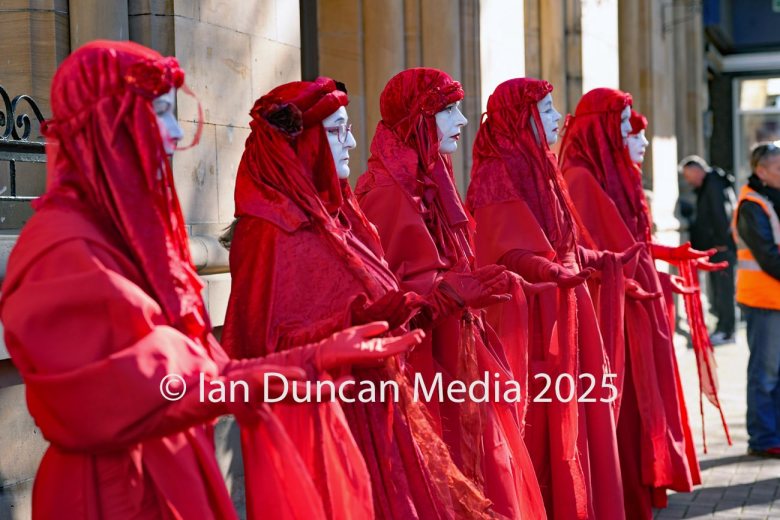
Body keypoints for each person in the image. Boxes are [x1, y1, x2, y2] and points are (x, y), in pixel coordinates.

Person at [0, 40, 421, 520]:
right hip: (114, 494)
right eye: (160, 113)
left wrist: (317, 357)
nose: (177, 134)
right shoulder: (62, 248)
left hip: (171, 473)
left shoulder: (122, 237)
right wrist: (305, 364)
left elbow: (198, 371)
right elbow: (155, 391)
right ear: (107, 123)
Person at [220, 77, 490, 519]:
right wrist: (353, 322)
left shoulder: (342, 219)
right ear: (302, 142)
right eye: (335, 131)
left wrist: (431, 304)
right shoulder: (266, 232)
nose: (351, 141)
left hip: (375, 411)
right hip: (318, 428)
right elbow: (259, 349)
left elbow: (385, 306)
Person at [356, 68, 546, 519]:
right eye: (447, 110)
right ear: (418, 119)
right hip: (426, 366)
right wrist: (452, 292)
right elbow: (389, 297)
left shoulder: (435, 180)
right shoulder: (384, 192)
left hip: (458, 351)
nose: (462, 121)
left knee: (488, 462)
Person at [466, 78, 640, 520]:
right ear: (522, 118)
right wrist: (550, 270)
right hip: (536, 318)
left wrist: (603, 259)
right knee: (542, 425)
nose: (556, 120)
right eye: (545, 112)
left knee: (581, 415)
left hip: (567, 305)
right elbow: (500, 246)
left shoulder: (543, 165)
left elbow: (564, 240)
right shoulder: (496, 169)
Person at [559, 90, 700, 518]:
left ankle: (638, 492)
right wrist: (640, 277)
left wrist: (665, 259)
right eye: (622, 125)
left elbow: (627, 241)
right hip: (610, 313)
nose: (629, 134)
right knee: (622, 409)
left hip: (632, 303)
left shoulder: (608, 174)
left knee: (641, 406)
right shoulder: (581, 177)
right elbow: (594, 252)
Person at [734, 142, 780, 458]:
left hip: (773, 300)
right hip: (763, 301)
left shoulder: (769, 200)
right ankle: (763, 439)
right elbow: (768, 257)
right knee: (765, 374)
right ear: (760, 171)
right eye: (778, 169)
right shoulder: (752, 205)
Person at [679, 154, 737, 344]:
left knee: (723, 290)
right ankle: (724, 328)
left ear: (697, 170)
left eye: (689, 176)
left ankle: (726, 331)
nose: (689, 181)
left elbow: (720, 213)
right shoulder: (711, 184)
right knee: (721, 290)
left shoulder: (712, 184)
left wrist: (720, 241)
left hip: (720, 246)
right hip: (717, 245)